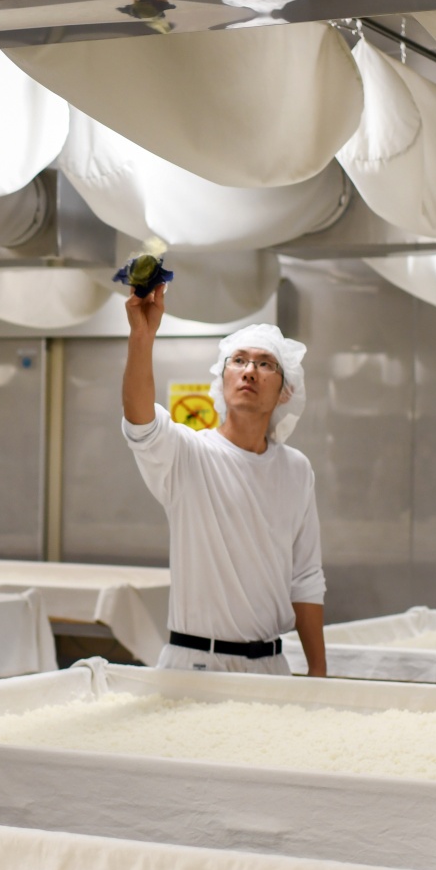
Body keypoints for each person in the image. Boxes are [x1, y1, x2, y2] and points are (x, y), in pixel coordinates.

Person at [121, 281, 326, 675]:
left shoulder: (296, 470)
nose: (250, 371)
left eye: (266, 364)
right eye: (238, 361)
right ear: (223, 378)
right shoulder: (189, 454)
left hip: (271, 667)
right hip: (196, 664)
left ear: (286, 391)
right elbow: (140, 420)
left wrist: (318, 673)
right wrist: (141, 337)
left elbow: (305, 577)